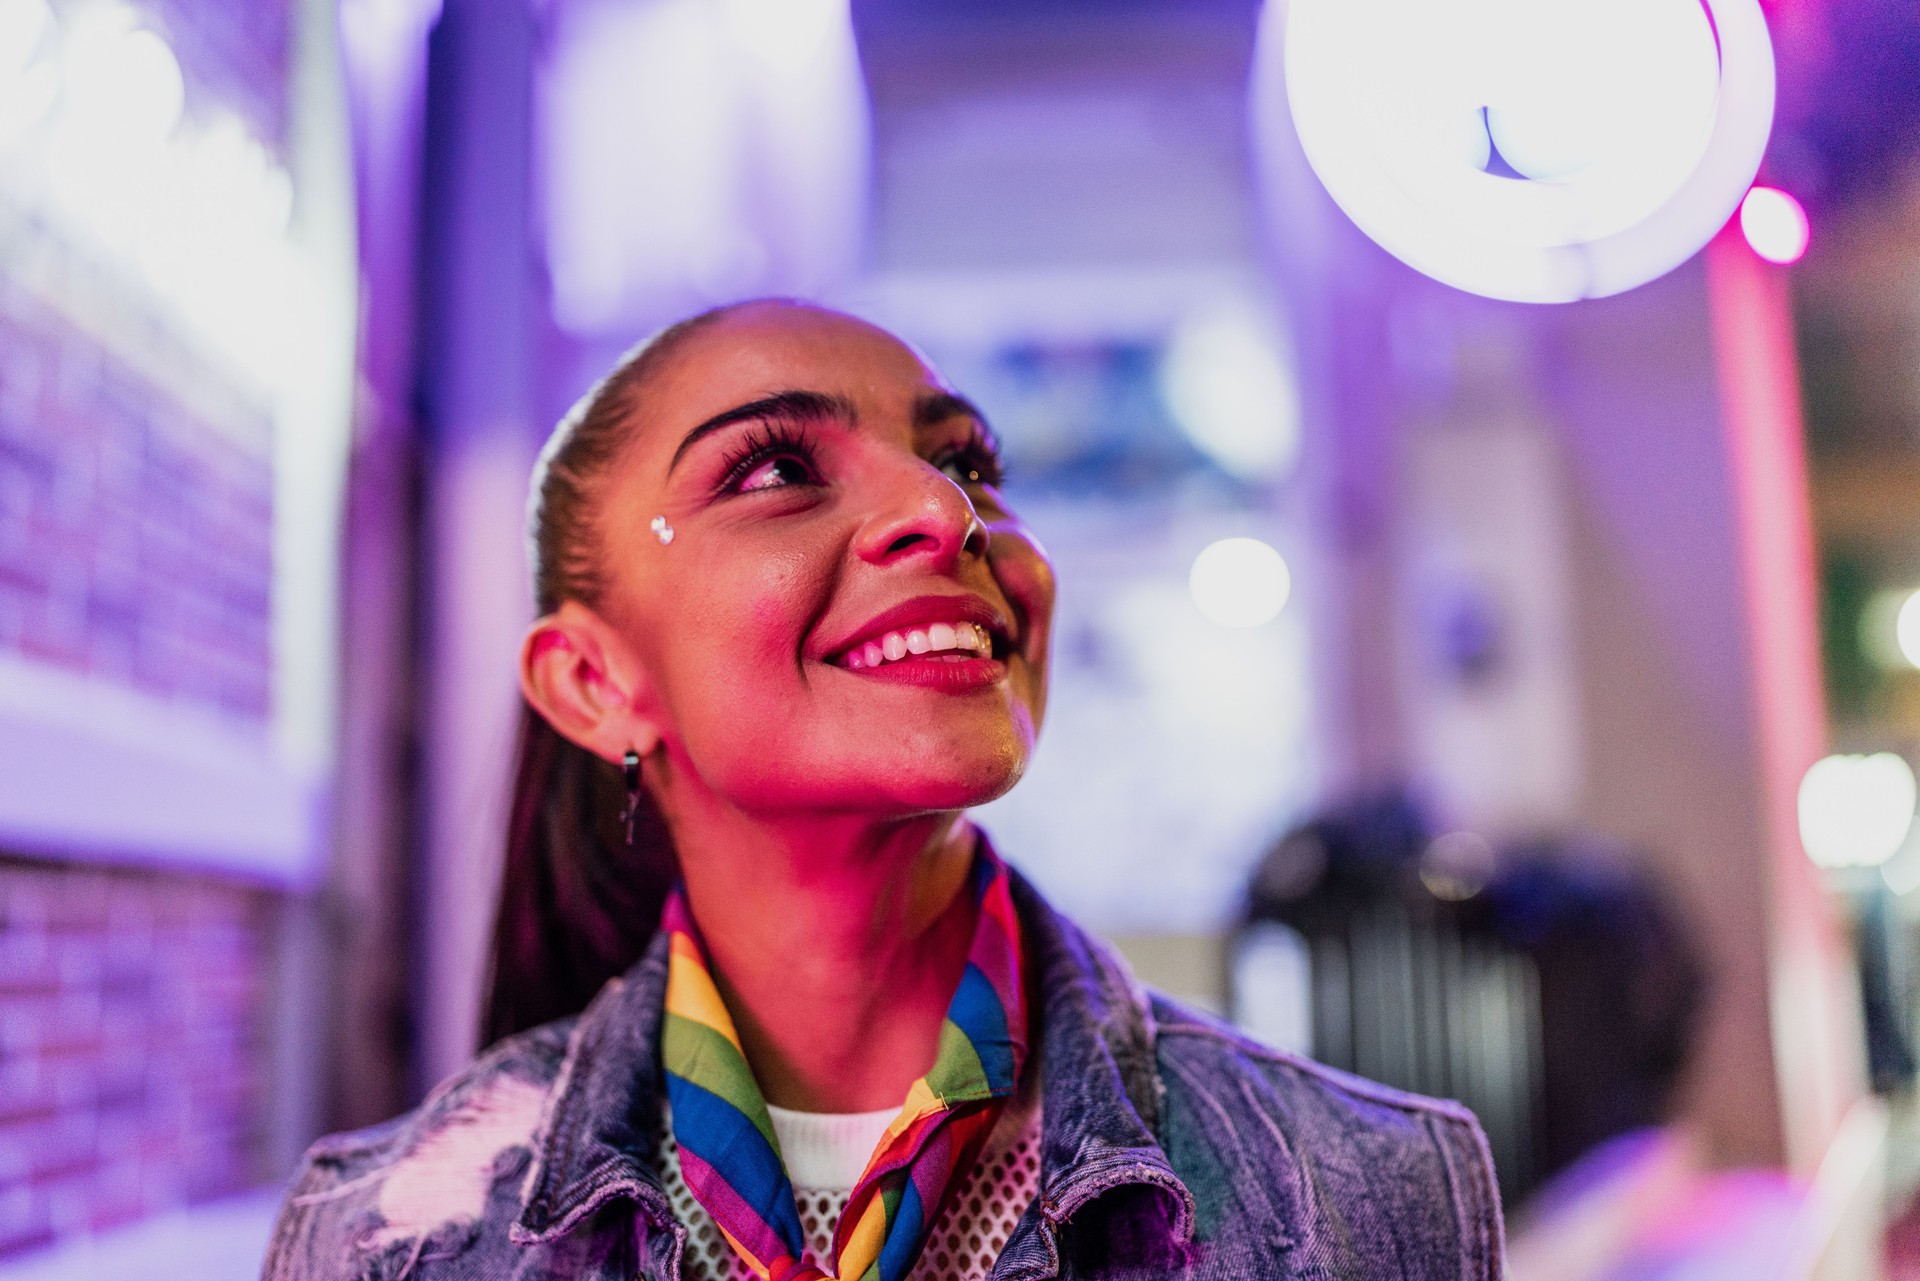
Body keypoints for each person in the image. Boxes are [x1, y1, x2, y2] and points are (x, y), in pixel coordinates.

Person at [261, 300, 1503, 1281]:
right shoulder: (386, 1241)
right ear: (595, 682)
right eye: (773, 471)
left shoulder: (1362, 1201)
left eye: (966, 460)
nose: (941, 508)